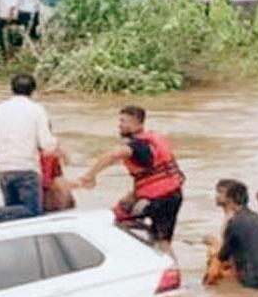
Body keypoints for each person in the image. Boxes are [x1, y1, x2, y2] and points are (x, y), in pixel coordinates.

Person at [78, 106, 185, 255]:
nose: (119, 124)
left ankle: (162, 267)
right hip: (172, 194)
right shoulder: (152, 140)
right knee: (159, 237)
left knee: (117, 222)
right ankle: (152, 248)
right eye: (120, 120)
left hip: (159, 200)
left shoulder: (135, 146)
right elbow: (149, 176)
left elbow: (112, 155)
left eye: (124, 121)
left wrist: (90, 175)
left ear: (137, 124)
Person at [0, 73, 58, 220]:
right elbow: (47, 145)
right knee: (32, 212)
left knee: (13, 218)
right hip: (26, 169)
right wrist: (55, 142)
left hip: (3, 169)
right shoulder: (37, 110)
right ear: (33, 91)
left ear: (11, 89)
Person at [216, 180, 258, 289]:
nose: (216, 196)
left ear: (230, 199)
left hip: (252, 280)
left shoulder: (234, 222)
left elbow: (223, 256)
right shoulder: (257, 218)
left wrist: (212, 246)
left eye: (220, 192)